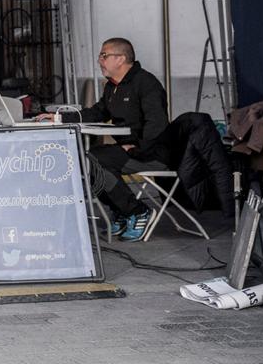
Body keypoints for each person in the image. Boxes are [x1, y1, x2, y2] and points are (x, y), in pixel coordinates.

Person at [39, 37, 170, 240]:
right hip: (127, 151)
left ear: (121, 59)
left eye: (104, 55)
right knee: (84, 159)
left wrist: (137, 149)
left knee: (96, 160)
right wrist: (59, 117)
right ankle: (121, 210)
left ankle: (137, 211)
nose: (100, 60)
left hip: (151, 153)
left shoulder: (146, 83)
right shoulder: (112, 86)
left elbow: (157, 125)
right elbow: (97, 112)